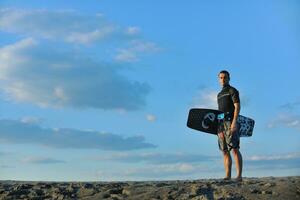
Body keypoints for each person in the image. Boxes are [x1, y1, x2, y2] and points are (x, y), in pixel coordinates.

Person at [217, 70, 243, 181]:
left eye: (225, 77)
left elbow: (237, 107)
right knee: (224, 150)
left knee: (234, 149)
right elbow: (219, 112)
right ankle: (227, 175)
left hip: (231, 122)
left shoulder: (233, 90)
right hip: (221, 124)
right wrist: (218, 128)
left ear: (229, 78)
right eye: (221, 78)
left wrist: (234, 122)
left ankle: (239, 176)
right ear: (219, 79)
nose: (223, 79)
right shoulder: (219, 95)